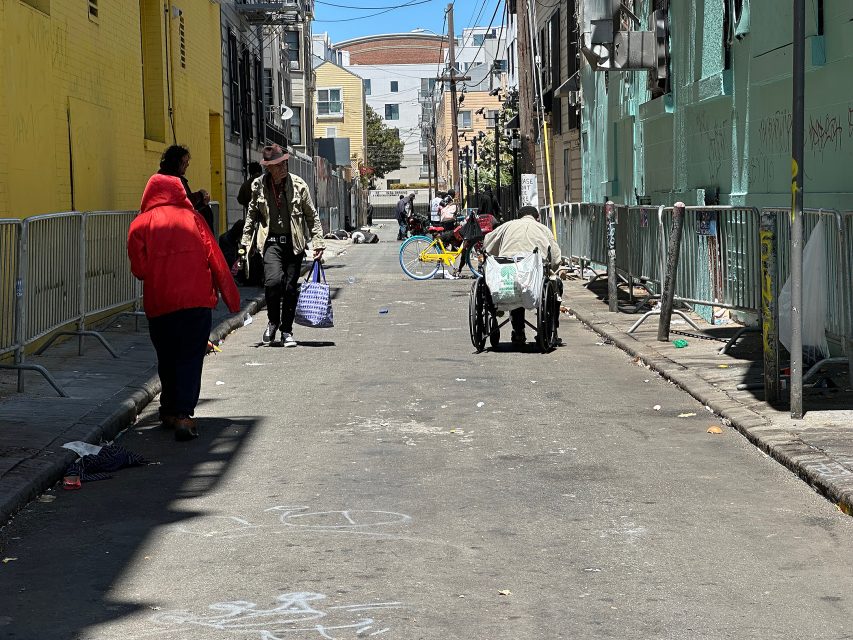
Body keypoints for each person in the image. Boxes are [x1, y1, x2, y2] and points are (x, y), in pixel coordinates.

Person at [127, 174, 241, 441]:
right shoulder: (194, 219)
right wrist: (232, 299)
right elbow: (217, 259)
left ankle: (167, 409)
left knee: (167, 357)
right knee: (190, 358)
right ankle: (183, 415)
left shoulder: (139, 225)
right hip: (196, 301)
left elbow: (139, 270)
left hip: (160, 302)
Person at [239, 144, 325, 347]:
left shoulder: (299, 185)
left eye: (284, 162)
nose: (283, 167)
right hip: (271, 243)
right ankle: (272, 322)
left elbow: (311, 216)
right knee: (273, 282)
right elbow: (251, 217)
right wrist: (244, 244)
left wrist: (318, 243)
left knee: (289, 288)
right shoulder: (258, 186)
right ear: (269, 167)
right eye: (278, 165)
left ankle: (286, 331)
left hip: (294, 244)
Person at [482, 205, 562, 346]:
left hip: (508, 271)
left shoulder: (507, 226)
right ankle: (551, 329)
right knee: (555, 284)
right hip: (534, 274)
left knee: (515, 283)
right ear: (537, 218)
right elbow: (556, 259)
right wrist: (552, 269)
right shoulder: (542, 229)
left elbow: (487, 244)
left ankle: (518, 332)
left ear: (518, 217)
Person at [157, 144, 215, 232]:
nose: (187, 164)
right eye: (185, 162)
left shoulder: (170, 177)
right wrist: (200, 195)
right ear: (176, 162)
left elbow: (186, 203)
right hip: (174, 228)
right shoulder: (170, 179)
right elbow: (182, 202)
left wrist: (202, 203)